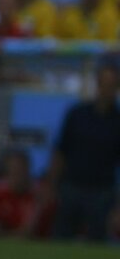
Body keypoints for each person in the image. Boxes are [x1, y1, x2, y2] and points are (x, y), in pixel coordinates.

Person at [49, 54, 120, 242]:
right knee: (62, 238)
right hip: (72, 186)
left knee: (97, 241)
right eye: (105, 83)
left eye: (112, 85)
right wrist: (51, 185)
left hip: (102, 191)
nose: (108, 89)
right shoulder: (77, 114)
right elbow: (61, 151)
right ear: (98, 84)